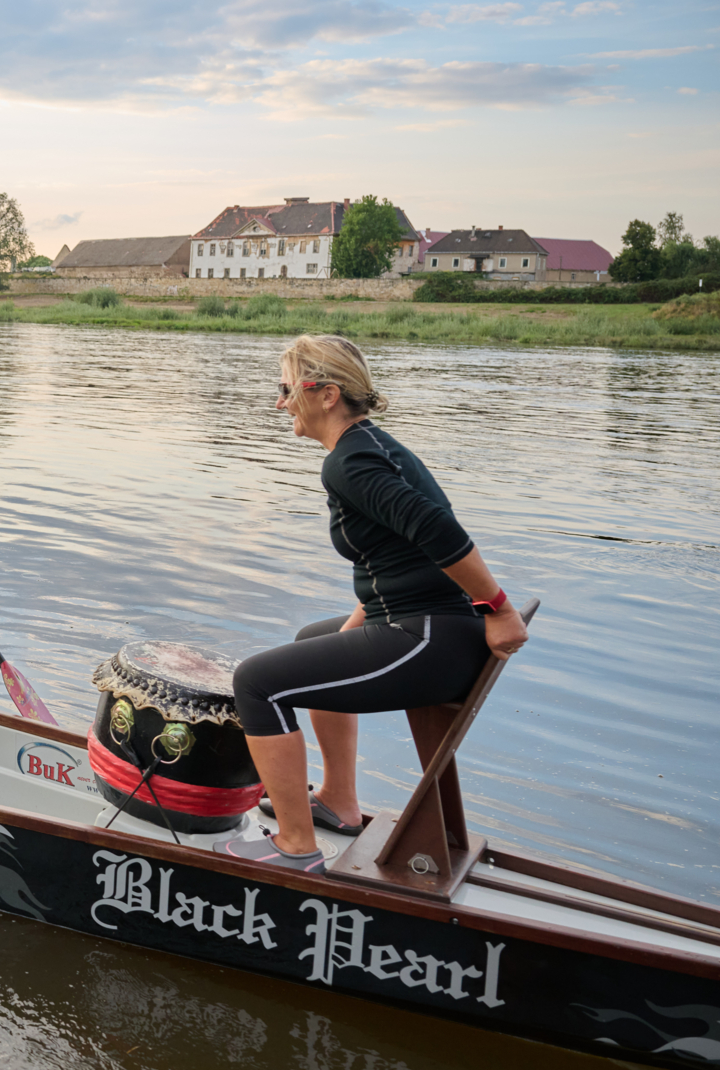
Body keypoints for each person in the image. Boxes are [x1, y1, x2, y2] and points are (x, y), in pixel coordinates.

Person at [217, 334, 528, 872]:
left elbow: (437, 529)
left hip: (431, 640)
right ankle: (339, 802)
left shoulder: (350, 464)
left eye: (287, 389)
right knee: (313, 641)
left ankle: (294, 844)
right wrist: (357, 626)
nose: (280, 402)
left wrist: (499, 608)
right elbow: (388, 562)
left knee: (256, 683)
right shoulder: (368, 447)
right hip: (426, 624)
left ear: (327, 394)